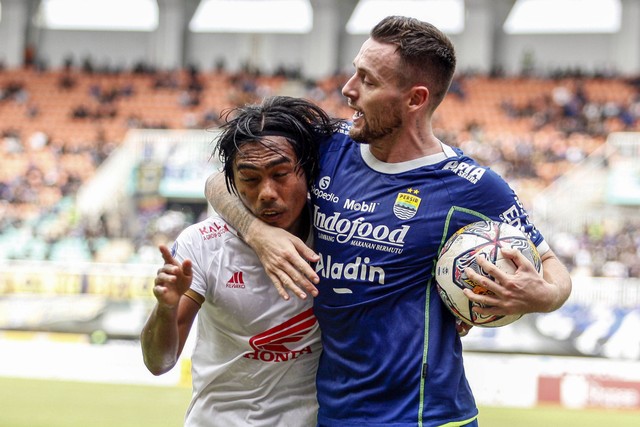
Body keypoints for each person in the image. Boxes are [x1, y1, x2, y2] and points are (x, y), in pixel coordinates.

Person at [205, 16, 572, 426]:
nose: (348, 89)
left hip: (426, 416)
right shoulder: (328, 147)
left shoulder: (471, 186)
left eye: (368, 80)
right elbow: (217, 183)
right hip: (335, 414)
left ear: (415, 99)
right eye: (354, 72)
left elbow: (554, 271)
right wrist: (258, 234)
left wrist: (541, 296)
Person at [141, 96, 343, 426]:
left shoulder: (339, 239)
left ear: (308, 171)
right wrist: (164, 308)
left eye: (280, 174)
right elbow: (158, 363)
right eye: (249, 179)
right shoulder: (202, 244)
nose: (266, 193)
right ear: (232, 182)